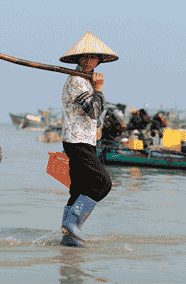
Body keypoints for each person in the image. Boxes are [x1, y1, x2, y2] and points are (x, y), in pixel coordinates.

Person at [59, 31, 118, 247]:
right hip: (77, 141)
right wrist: (100, 89)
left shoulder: (86, 82)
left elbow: (94, 115)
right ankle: (73, 223)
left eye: (94, 58)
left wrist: (99, 126)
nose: (90, 62)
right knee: (103, 183)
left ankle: (69, 236)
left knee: (79, 188)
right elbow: (94, 110)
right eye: (86, 57)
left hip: (84, 139)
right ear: (78, 59)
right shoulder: (77, 81)